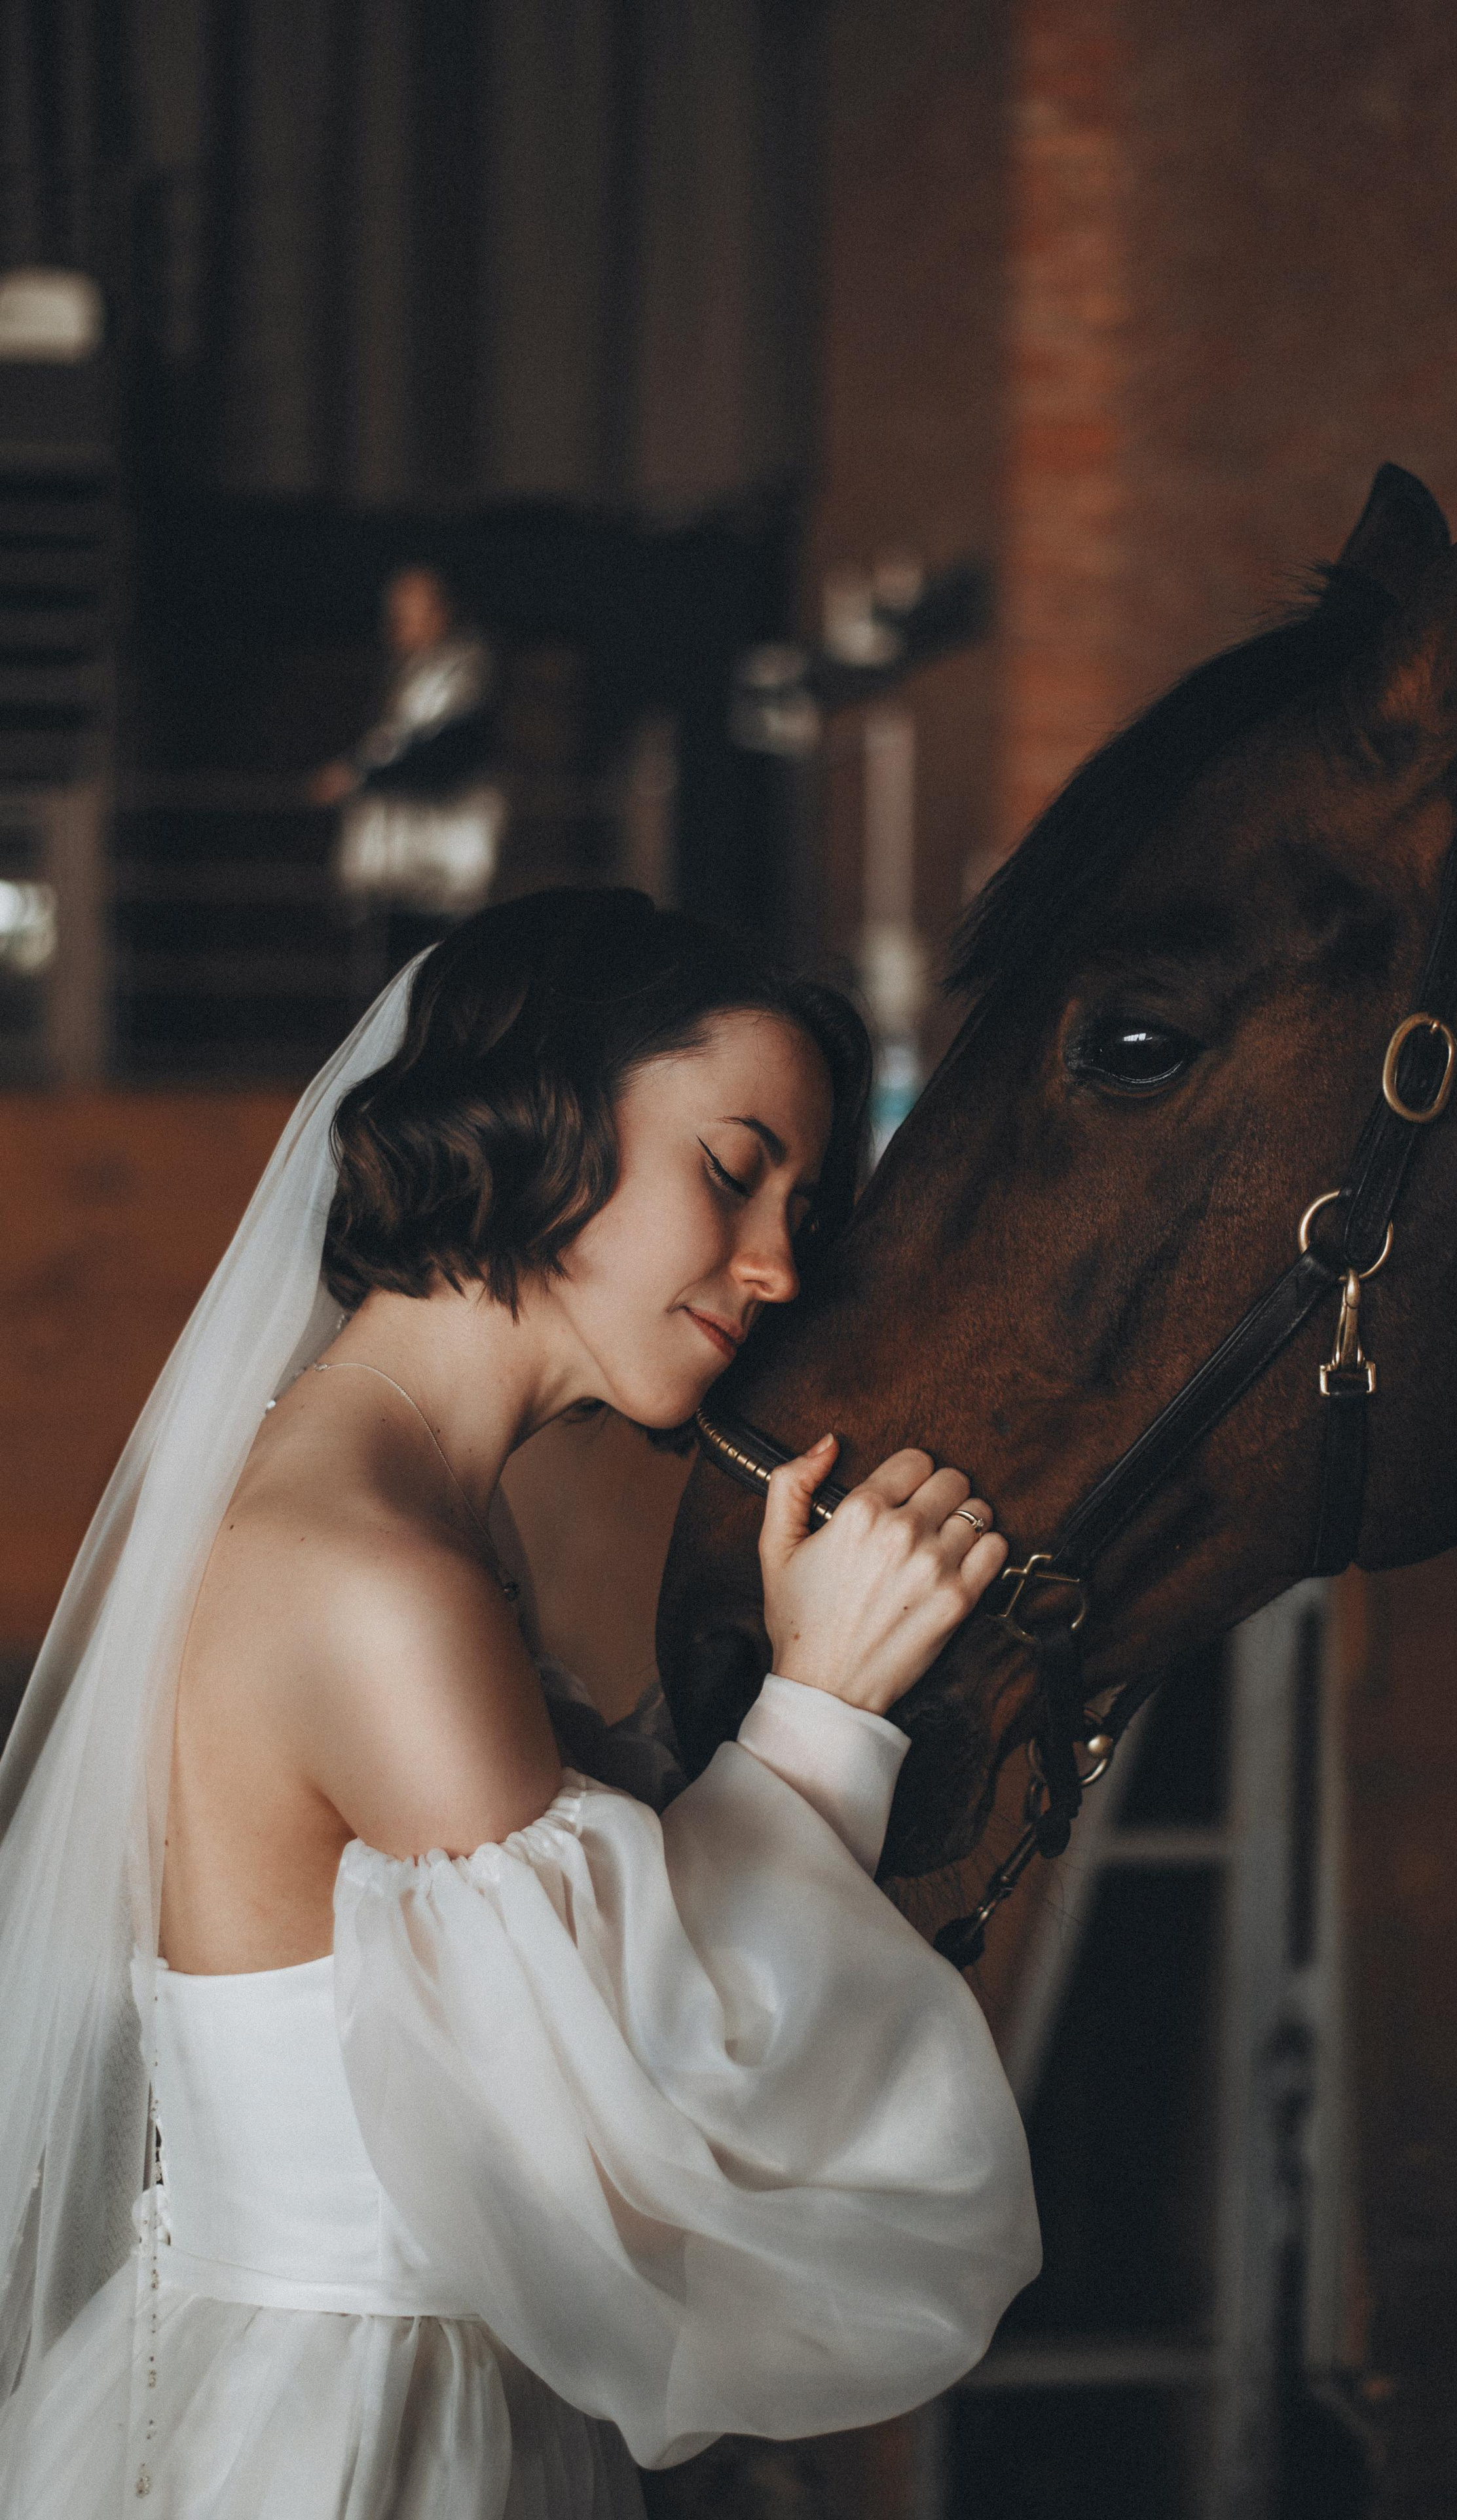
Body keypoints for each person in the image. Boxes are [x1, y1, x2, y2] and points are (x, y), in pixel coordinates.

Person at [0, 887, 1040, 2519]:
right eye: (730, 1167)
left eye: (803, 1209)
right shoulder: (373, 1575)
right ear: (542, 1113)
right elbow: (634, 2124)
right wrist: (823, 1703)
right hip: (355, 2438)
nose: (774, 1264)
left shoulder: (404, 1507)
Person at [313, 563, 507, 944]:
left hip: (438, 868)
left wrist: (359, 776)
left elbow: (442, 755)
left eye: (410, 614)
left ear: (442, 612)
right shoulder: (412, 674)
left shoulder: (464, 674)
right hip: (401, 870)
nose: (397, 626)